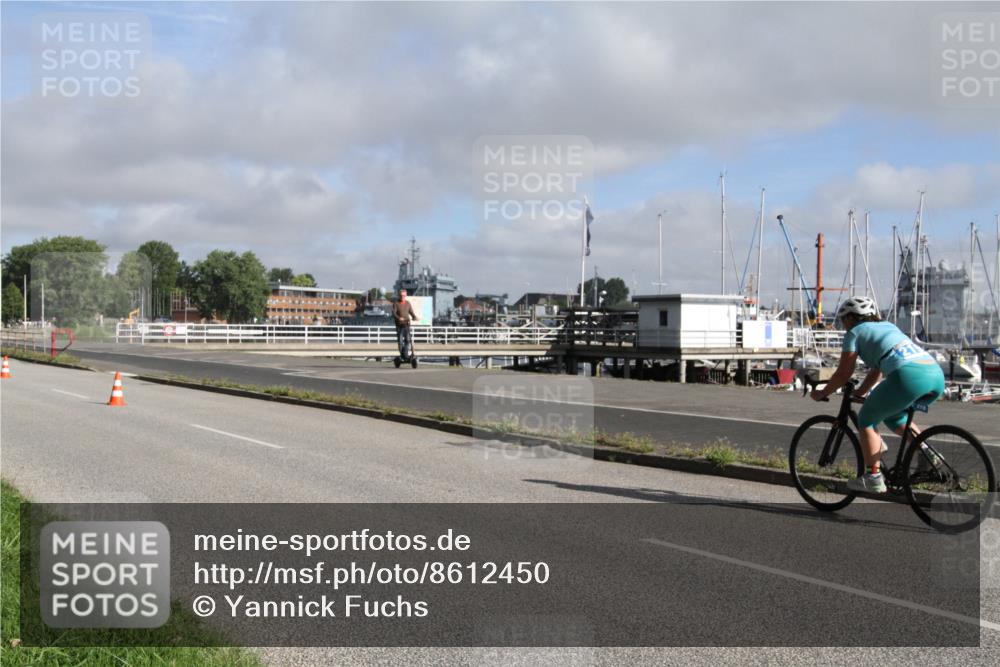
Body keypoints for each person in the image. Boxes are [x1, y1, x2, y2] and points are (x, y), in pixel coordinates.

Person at [810, 296, 945, 493]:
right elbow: (877, 370)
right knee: (895, 416)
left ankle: (873, 476)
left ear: (851, 318)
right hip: (935, 375)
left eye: (843, 319)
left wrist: (823, 392)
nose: (843, 324)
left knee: (866, 419)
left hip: (907, 377)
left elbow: (843, 373)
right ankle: (928, 453)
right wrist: (860, 392)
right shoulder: (888, 326)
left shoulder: (854, 333)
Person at [391, 289, 418, 360]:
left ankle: (405, 354)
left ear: (405, 295)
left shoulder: (408, 303)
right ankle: (402, 354)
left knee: (408, 340)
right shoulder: (396, 303)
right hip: (399, 325)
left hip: (407, 324)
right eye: (401, 295)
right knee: (400, 341)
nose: (402, 296)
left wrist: (414, 317)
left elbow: (411, 312)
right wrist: (398, 318)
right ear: (399, 295)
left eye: (404, 295)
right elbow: (394, 313)